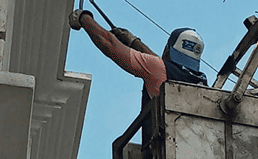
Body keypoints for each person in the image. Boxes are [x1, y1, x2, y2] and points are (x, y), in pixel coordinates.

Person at [68, 9, 208, 101]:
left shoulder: (158, 69)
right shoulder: (200, 82)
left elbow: (109, 44)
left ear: (167, 50)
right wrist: (133, 41)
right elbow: (160, 64)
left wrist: (83, 18)